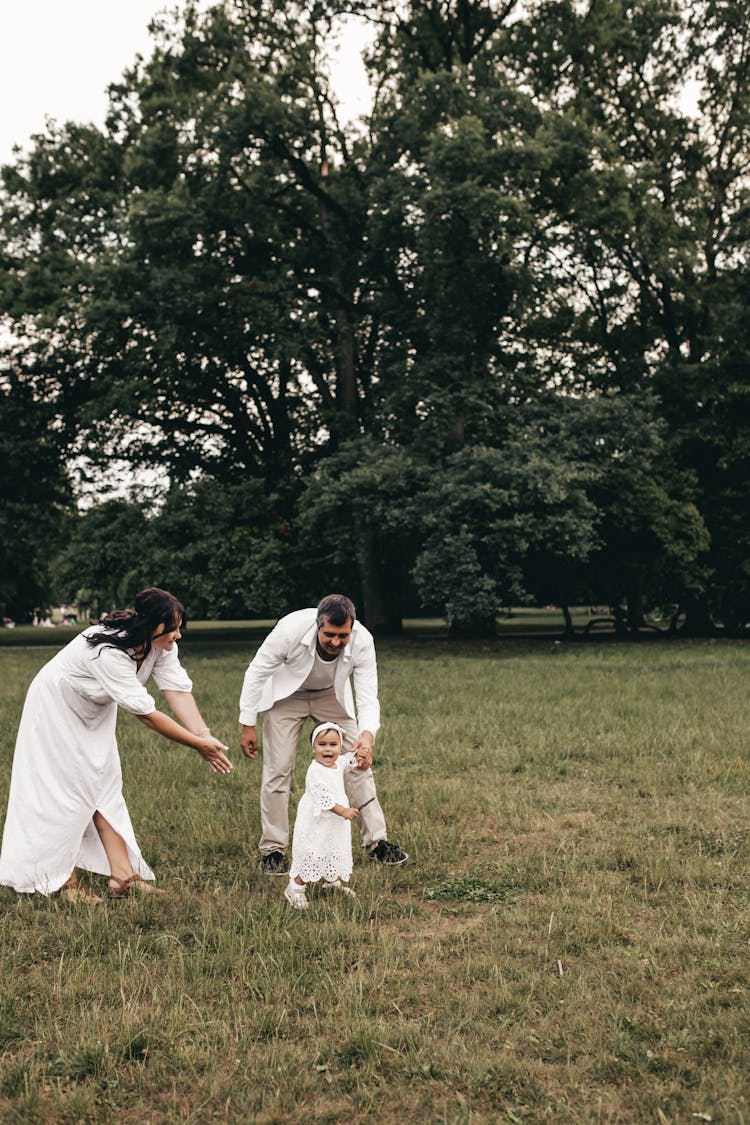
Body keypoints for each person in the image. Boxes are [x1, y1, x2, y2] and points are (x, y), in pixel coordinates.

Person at [0, 587, 233, 903]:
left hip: (93, 711)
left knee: (104, 785)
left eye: (181, 627)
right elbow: (147, 715)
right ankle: (66, 884)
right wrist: (196, 745)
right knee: (65, 790)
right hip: (55, 707)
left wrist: (203, 736)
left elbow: (176, 690)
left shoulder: (161, 646)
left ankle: (123, 877)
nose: (178, 635)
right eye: (173, 628)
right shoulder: (109, 652)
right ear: (150, 624)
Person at [239, 593, 408, 873]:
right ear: (318, 626)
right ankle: (273, 850)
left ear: (352, 628)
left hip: (331, 695)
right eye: (329, 634)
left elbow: (367, 696)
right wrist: (248, 723)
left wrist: (366, 736)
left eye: (343, 636)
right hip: (286, 696)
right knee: (278, 769)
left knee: (358, 764)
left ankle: (377, 842)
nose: (336, 642)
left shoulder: (363, 642)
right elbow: (256, 671)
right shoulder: (289, 631)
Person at [284, 722, 360, 910]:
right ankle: (296, 887)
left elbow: (348, 761)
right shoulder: (316, 771)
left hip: (333, 822)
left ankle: (332, 881)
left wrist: (359, 753)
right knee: (313, 851)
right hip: (316, 821)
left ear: (339, 747)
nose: (328, 749)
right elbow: (323, 798)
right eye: (322, 744)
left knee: (334, 847)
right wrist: (343, 811)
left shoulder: (338, 763)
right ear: (313, 748)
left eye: (333, 745)